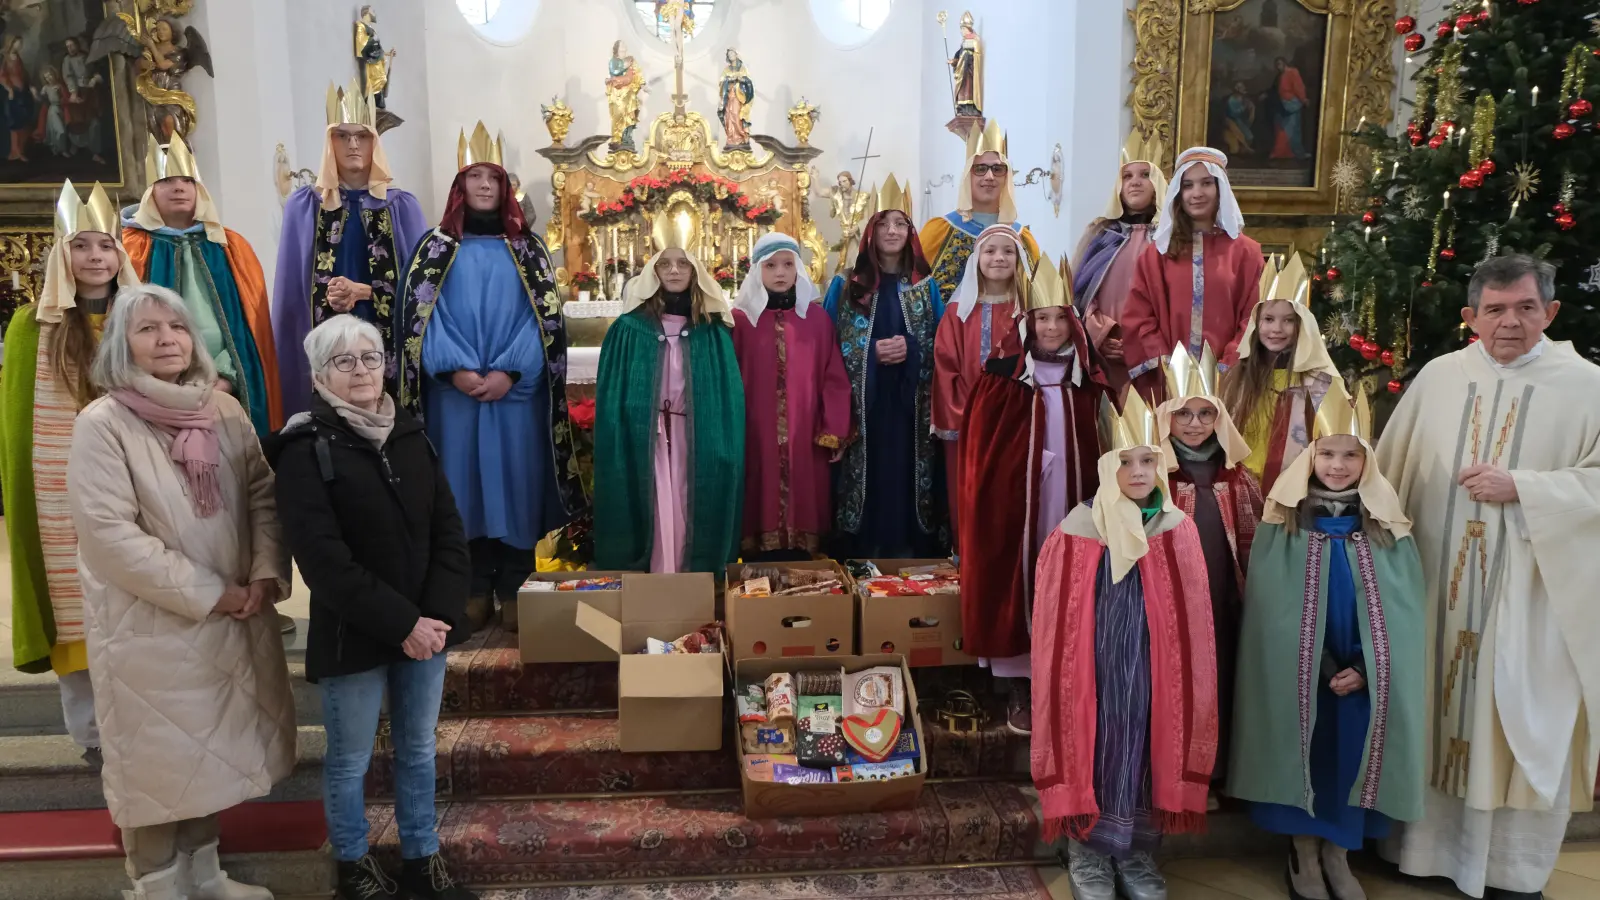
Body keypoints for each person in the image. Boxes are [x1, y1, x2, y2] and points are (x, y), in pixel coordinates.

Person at [1376, 255, 1600, 900]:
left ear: (1551, 313)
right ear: (1471, 317)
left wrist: (1525, 488)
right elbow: (1387, 474)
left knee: (1519, 717)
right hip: (1434, 593)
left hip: (1531, 600)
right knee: (1431, 706)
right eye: (1495, 310)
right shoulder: (1440, 379)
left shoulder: (1586, 386)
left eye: (1526, 308)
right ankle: (1417, 851)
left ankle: (1510, 870)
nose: (1510, 322)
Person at [66, 285, 293, 900]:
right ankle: (158, 887)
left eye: (176, 326)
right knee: (158, 762)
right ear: (121, 344)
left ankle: (207, 877)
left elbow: (261, 493)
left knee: (208, 754)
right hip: (152, 624)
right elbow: (110, 537)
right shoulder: (103, 423)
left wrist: (266, 572)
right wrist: (210, 592)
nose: (167, 339)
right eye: (147, 329)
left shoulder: (222, 411)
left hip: (233, 608)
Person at [268, 315, 475, 900]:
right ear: (319, 374)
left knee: (416, 750)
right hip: (352, 631)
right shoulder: (304, 448)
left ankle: (421, 859)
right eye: (344, 360)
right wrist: (402, 623)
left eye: (370, 357)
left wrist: (434, 619)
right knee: (350, 759)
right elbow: (323, 560)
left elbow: (449, 532)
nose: (360, 370)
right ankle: (355, 868)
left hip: (425, 628)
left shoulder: (410, 433)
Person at [1230, 386, 1426, 900]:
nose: (1338, 466)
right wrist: (1316, 664)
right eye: (1327, 453)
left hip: (1362, 673)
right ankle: (1303, 854)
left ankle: (1340, 855)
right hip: (1305, 671)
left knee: (1352, 751)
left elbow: (1404, 613)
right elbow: (1270, 614)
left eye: (1351, 455)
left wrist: (1366, 666)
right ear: (1309, 457)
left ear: (1368, 461)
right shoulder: (1284, 521)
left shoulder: (1388, 525)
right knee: (1304, 746)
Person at [1031, 390, 1216, 900]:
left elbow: (1192, 614)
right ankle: (1087, 852)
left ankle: (1136, 852)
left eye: (1148, 460)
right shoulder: (1077, 527)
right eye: (1126, 462)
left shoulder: (1176, 528)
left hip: (1156, 668)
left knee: (1147, 742)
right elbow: (1054, 616)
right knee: (1096, 743)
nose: (1138, 472)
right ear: (1107, 466)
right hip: (1095, 666)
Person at [398, 126, 582, 629]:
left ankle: (517, 584)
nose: (484, 186)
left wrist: (510, 370)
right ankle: (471, 586)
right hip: (453, 398)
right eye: (474, 176)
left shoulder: (528, 249)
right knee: (461, 487)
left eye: (492, 177)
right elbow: (420, 318)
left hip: (514, 396)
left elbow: (542, 319)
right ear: (460, 185)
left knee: (518, 484)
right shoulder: (434, 248)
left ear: (506, 187)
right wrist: (455, 369)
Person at [1, 181, 140, 760]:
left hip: (134, 481)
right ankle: (91, 739)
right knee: (74, 603)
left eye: (104, 246)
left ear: (120, 254)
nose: (94, 258)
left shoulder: (144, 316)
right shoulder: (31, 327)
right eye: (80, 246)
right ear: (62, 254)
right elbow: (17, 425)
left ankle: (142, 725)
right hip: (60, 487)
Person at [959, 255, 1107, 735]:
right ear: (1027, 321)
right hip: (1018, 506)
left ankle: (1069, 677)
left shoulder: (1089, 378)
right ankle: (1020, 681)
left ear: (1073, 321)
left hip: (1075, 501)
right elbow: (984, 453)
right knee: (1020, 575)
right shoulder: (1001, 376)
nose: (1050, 327)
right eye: (1041, 318)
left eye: (1060, 317)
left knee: (1075, 577)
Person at [593, 212, 744, 573]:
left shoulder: (713, 331)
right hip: (649, 439)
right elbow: (612, 396)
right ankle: (655, 582)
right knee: (655, 506)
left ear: (695, 272)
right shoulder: (628, 329)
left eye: (682, 264)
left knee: (690, 502)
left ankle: (694, 583)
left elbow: (727, 399)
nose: (674, 271)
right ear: (653, 272)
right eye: (665, 265)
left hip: (697, 439)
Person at [273, 82, 427, 418]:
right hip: (325, 341)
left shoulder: (402, 207)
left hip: (388, 344)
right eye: (342, 136)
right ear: (330, 143)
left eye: (363, 136)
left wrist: (367, 292)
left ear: (376, 142)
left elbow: (423, 292)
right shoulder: (305, 207)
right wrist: (327, 296)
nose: (353, 144)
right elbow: (291, 294)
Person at [122, 132, 281, 436]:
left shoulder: (231, 247)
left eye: (187, 180)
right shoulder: (131, 247)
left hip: (224, 386)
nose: (179, 187)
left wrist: (226, 376)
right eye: (167, 181)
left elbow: (250, 328)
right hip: (153, 389)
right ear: (150, 191)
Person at [1156, 342, 1260, 798]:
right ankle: (1169, 771)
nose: (1195, 425)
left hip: (1222, 604)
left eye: (1205, 414)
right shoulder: (1152, 475)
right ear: (1166, 418)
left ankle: (1215, 773)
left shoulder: (1238, 476)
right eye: (1184, 414)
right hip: (1167, 604)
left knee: (1218, 678)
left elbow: (1255, 540)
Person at [822, 180, 944, 558]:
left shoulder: (926, 287)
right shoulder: (846, 286)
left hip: (910, 410)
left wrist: (909, 348)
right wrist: (869, 352)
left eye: (901, 223)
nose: (892, 231)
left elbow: (942, 346)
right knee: (864, 482)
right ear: (870, 230)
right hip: (864, 410)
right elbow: (826, 348)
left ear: (911, 232)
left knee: (906, 479)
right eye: (883, 223)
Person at [731, 232, 849, 558]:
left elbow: (834, 378)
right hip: (755, 433)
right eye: (771, 266)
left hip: (806, 432)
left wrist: (834, 431)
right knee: (758, 491)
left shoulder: (816, 320)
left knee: (806, 495)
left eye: (787, 264)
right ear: (757, 271)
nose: (780, 273)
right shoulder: (739, 322)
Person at [1122, 147, 1264, 402]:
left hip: (1228, 382)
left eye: (1206, 183)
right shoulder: (1157, 254)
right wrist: (1170, 366)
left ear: (1220, 189)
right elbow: (1140, 316)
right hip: (1168, 381)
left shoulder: (1246, 252)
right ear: (1178, 193)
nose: (1196, 193)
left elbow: (1253, 317)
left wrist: (1227, 365)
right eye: (1188, 185)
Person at [934, 223, 1027, 543]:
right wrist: (972, 413)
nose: (998, 258)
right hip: (968, 426)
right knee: (970, 499)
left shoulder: (1029, 313)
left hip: (1017, 426)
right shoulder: (958, 313)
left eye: (1008, 251)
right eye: (989, 250)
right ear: (976, 259)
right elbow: (946, 368)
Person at [1221, 253, 1344, 494]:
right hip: (1242, 488)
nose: (1276, 329)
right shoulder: (1239, 376)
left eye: (1288, 320)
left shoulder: (1320, 381)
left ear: (1303, 324)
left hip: (1295, 489)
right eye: (1268, 319)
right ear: (1256, 324)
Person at [1071, 132, 1169, 400]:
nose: (1135, 182)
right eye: (1127, 176)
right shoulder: (1101, 235)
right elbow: (1081, 296)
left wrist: (1138, 347)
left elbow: (1177, 304)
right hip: (1106, 356)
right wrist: (1101, 335)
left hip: (1156, 358)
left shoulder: (1170, 239)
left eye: (1144, 175)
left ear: (1159, 184)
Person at [920, 118, 1041, 302]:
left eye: (998, 169)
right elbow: (917, 298)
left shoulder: (1021, 239)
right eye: (980, 169)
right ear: (968, 174)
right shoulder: (939, 233)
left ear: (1007, 177)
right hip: (950, 330)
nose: (990, 176)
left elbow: (1037, 299)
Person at [1270, 57, 1311, 161]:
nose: (1278, 67)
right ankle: (1282, 153)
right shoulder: (1280, 75)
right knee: (1283, 128)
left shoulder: (1293, 72)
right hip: (1283, 104)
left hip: (1292, 104)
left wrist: (1303, 99)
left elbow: (1299, 87)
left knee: (1292, 130)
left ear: (1284, 63)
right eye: (1276, 65)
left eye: (1279, 64)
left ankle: (1298, 153)